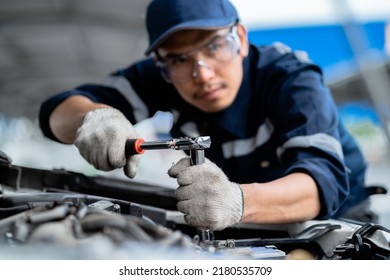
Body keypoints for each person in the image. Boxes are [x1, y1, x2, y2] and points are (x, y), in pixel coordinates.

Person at [39, 0, 378, 231]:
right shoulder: (164, 73)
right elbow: (57, 110)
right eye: (180, 59)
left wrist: (238, 201)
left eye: (214, 46)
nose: (202, 74)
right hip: (243, 226)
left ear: (241, 39)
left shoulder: (291, 78)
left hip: (337, 223)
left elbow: (323, 183)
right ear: (161, 61)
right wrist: (94, 116)